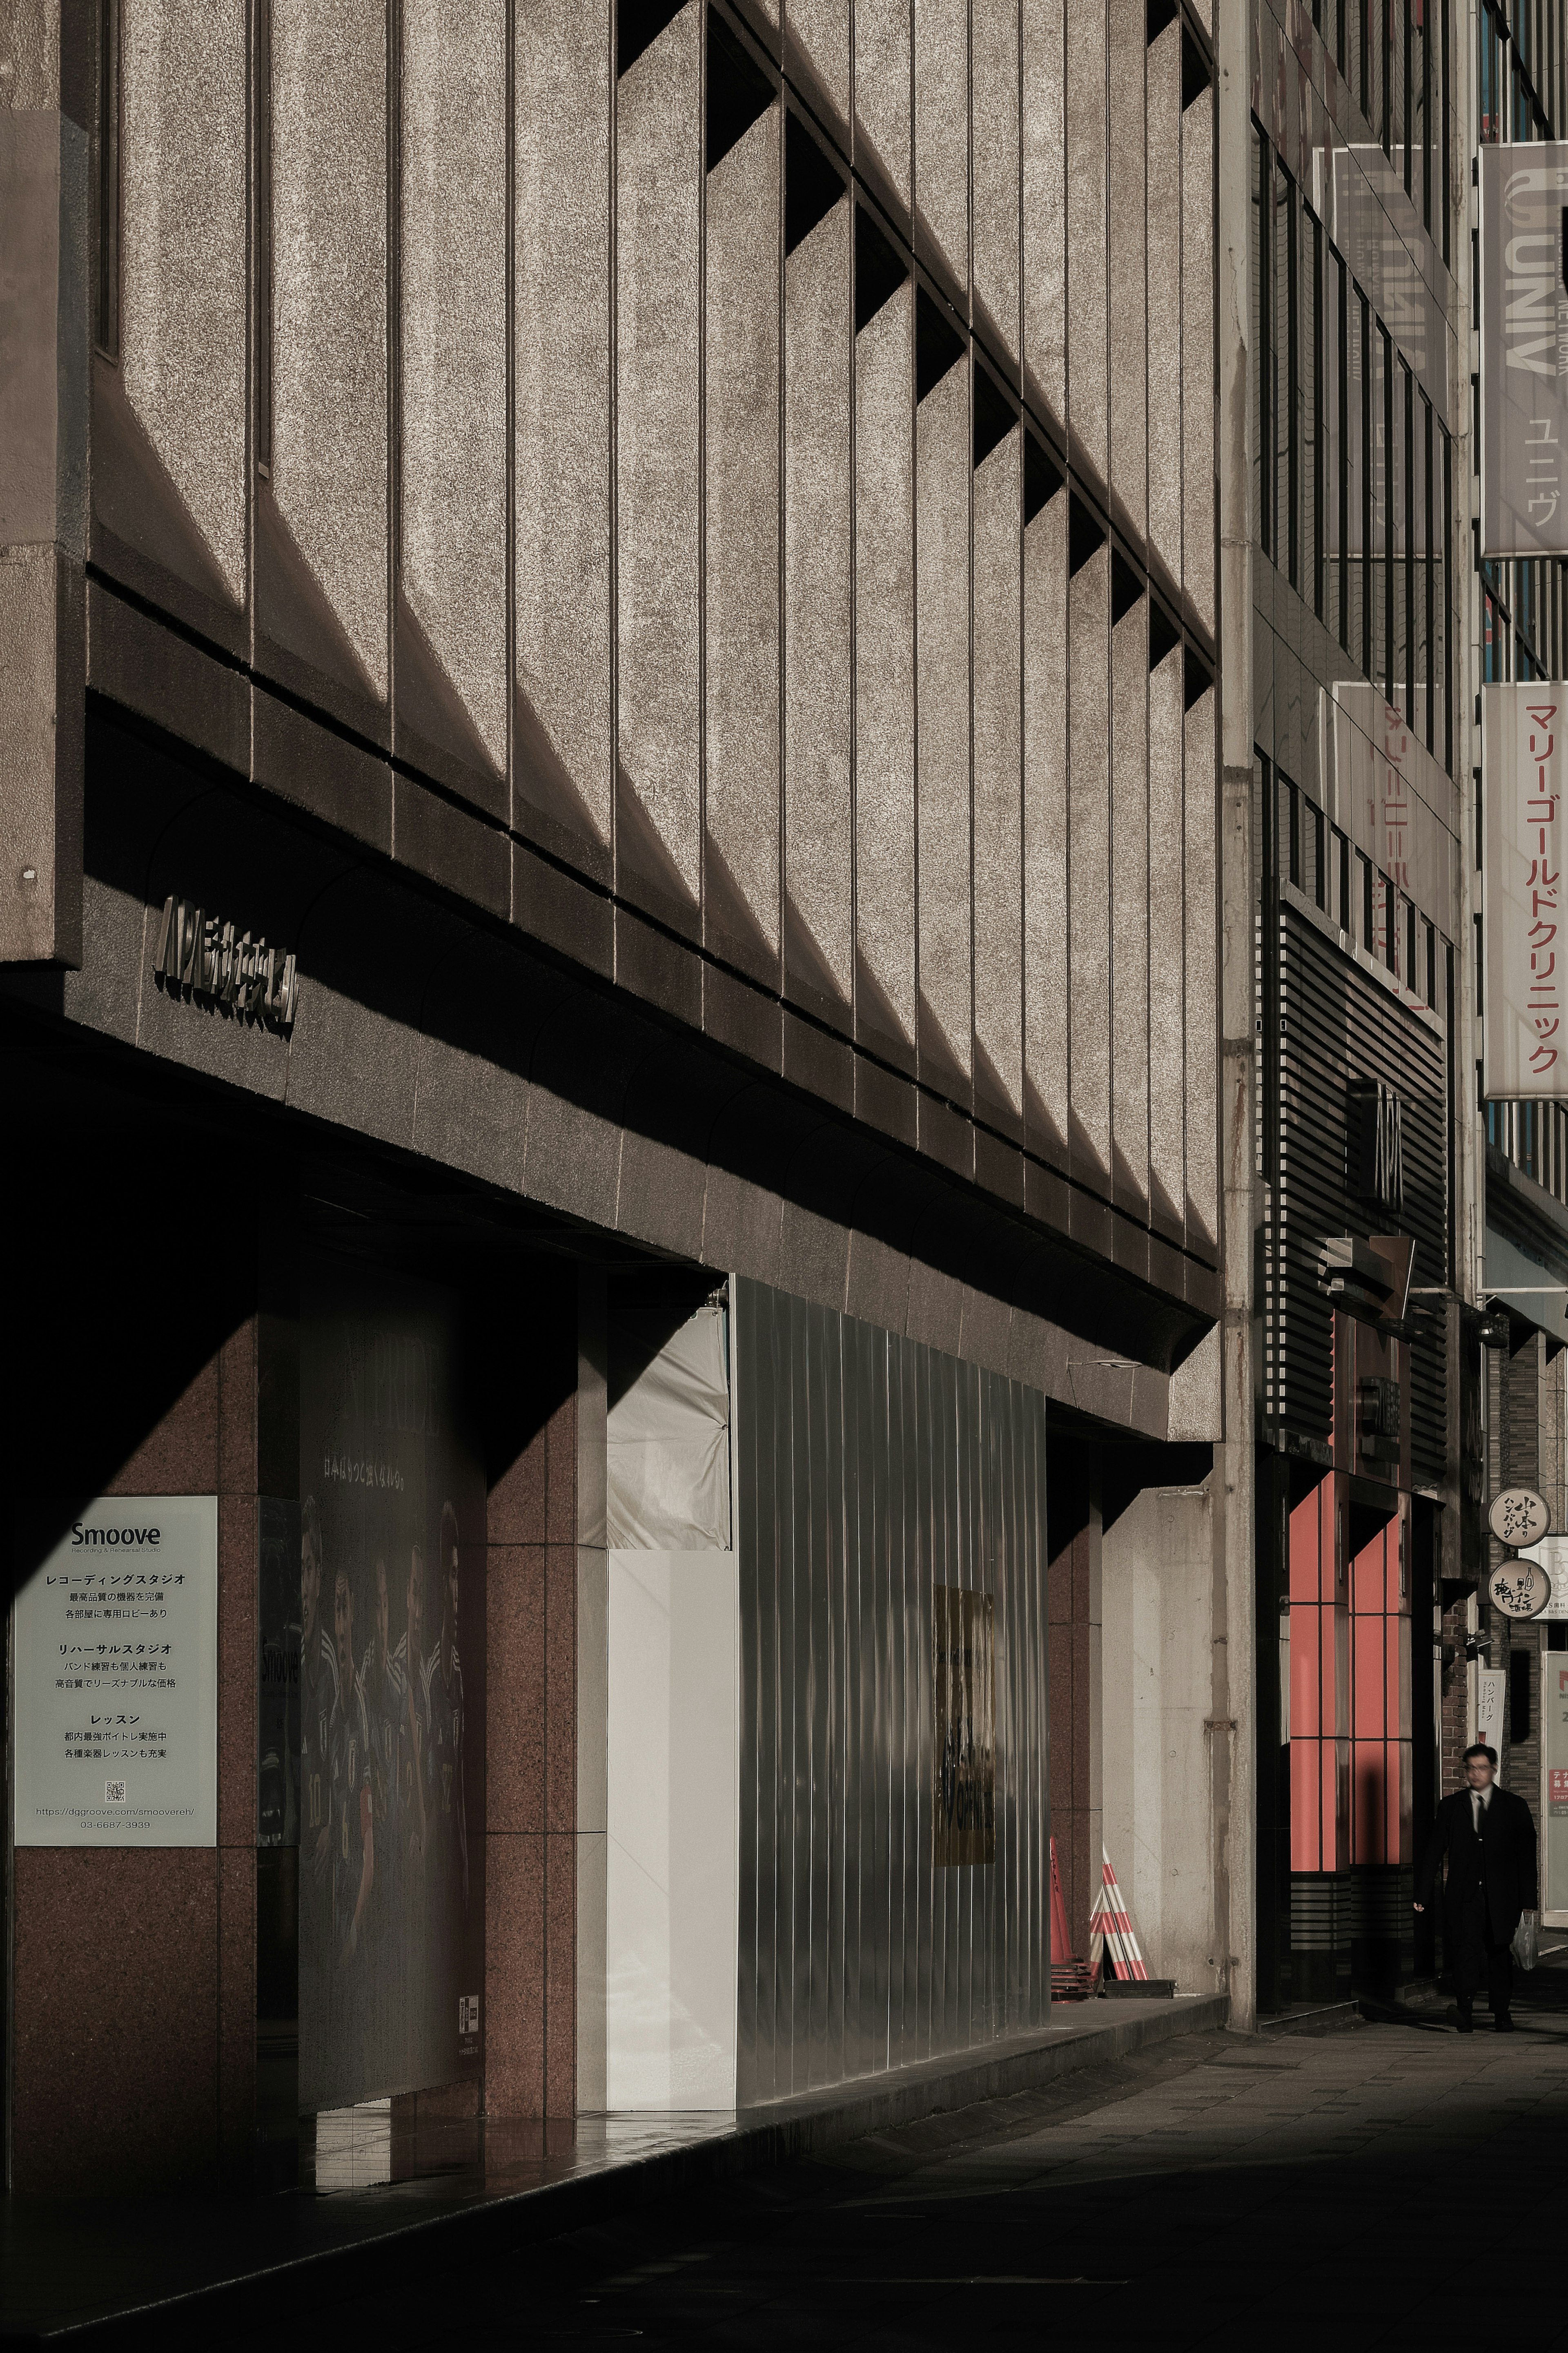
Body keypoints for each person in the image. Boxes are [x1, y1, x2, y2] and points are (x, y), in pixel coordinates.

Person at [1414, 1742, 1538, 2033]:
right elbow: (1434, 1851)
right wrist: (1422, 1892)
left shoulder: (1514, 1805)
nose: (1476, 1773)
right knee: (1465, 1952)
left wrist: (1528, 1898)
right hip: (1464, 1896)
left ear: (1494, 1769)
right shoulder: (1451, 1805)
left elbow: (1526, 1856)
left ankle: (1501, 2013)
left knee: (1499, 1954)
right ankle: (1465, 2010)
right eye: (1471, 1768)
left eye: (1482, 1767)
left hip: (1502, 1896)